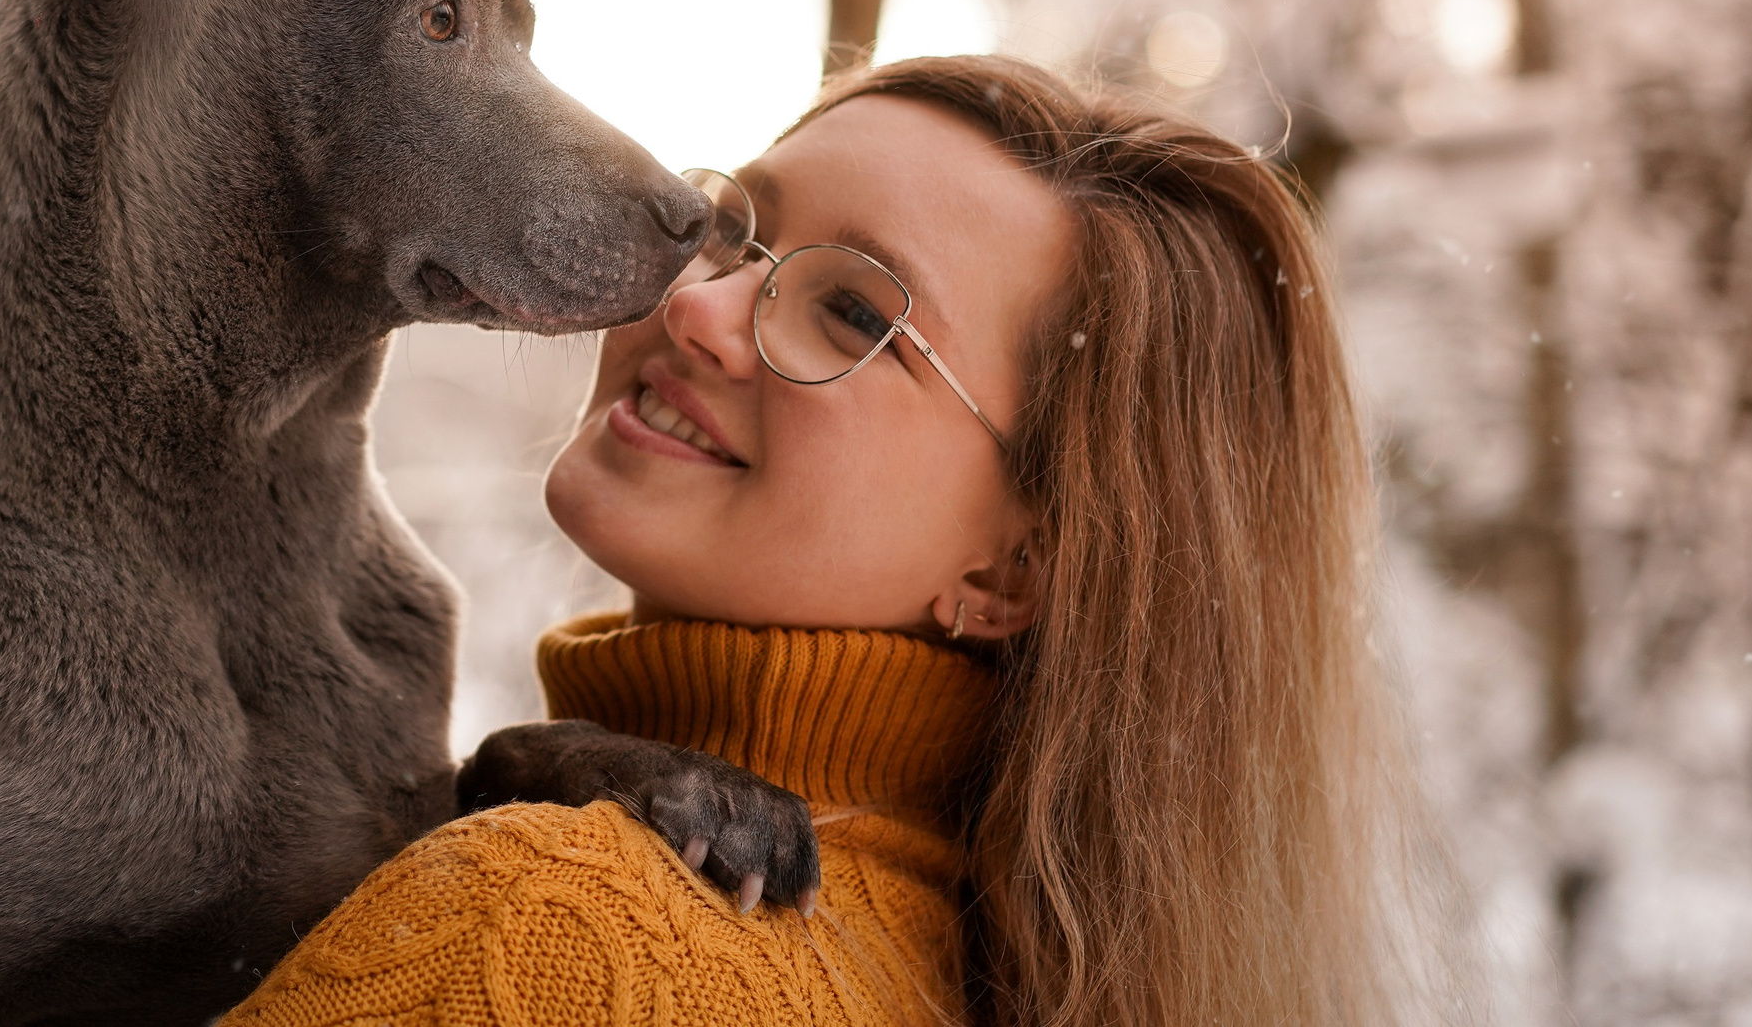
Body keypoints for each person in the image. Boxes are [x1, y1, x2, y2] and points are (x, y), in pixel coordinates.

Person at [221, 53, 1457, 1027]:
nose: (698, 306)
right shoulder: (962, 962)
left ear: (1013, 568)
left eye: (854, 312)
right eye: (728, 227)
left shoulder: (550, 930)